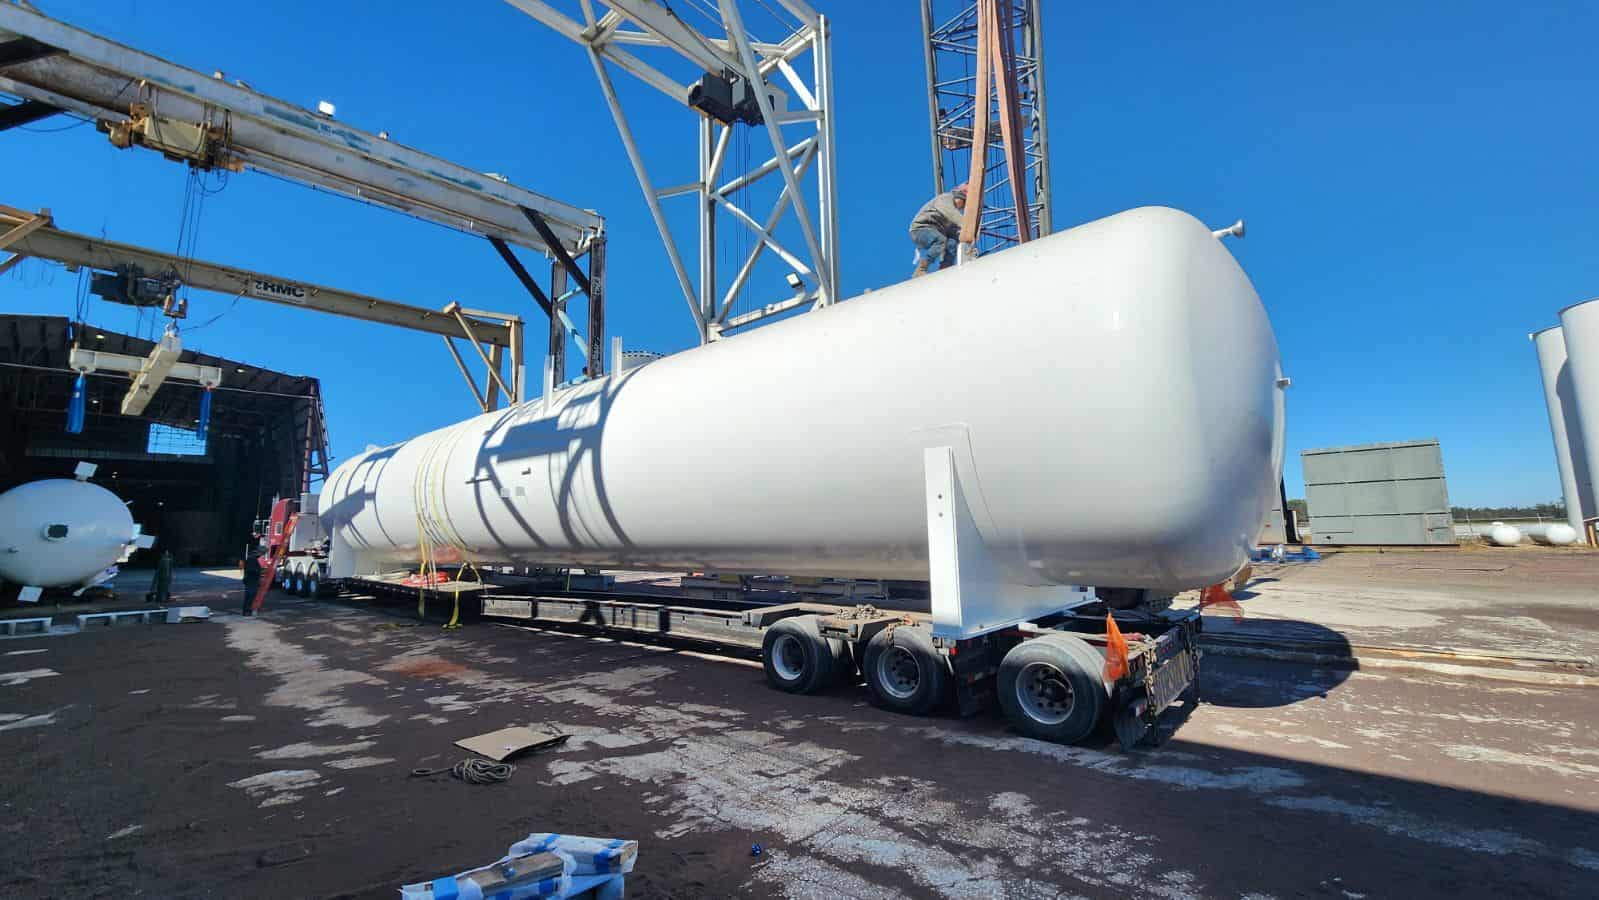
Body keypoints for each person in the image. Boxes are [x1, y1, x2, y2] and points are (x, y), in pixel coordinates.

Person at [909, 186, 967, 278]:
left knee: (952, 243)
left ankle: (945, 268)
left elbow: (954, 230)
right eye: (964, 204)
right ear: (959, 198)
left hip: (933, 230)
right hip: (920, 229)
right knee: (940, 240)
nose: (962, 208)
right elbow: (952, 214)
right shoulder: (945, 199)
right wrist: (967, 225)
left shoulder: (950, 216)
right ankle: (921, 268)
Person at [241, 551, 263, 617]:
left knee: (247, 597)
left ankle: (245, 611)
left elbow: (247, 570)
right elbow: (254, 571)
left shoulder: (249, 559)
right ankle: (248, 611)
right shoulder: (253, 560)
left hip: (248, 581)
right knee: (251, 596)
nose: (260, 555)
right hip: (252, 581)